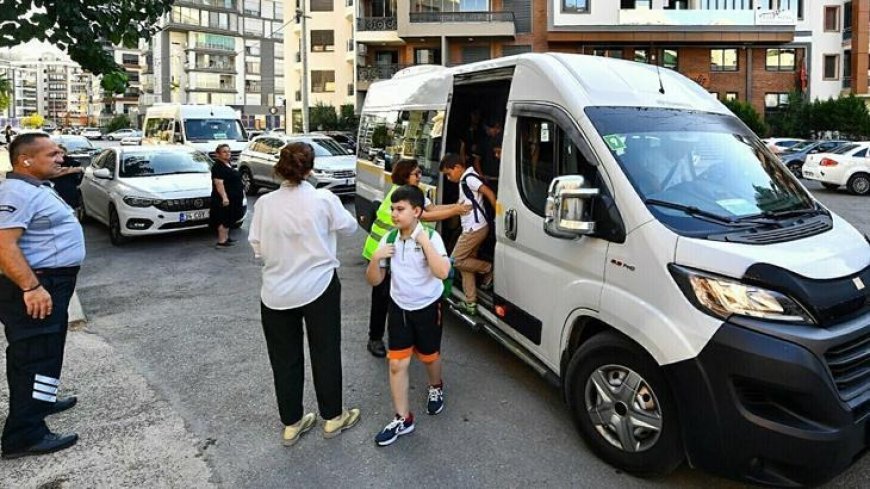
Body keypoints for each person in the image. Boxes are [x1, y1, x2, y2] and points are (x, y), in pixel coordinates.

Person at [248, 142, 360, 446]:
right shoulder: (323, 199)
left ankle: (291, 423)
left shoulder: (264, 204)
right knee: (325, 351)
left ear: (279, 167)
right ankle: (333, 417)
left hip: (275, 292)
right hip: (319, 286)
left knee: (284, 359)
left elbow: (257, 249)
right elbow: (349, 227)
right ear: (310, 168)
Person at [0, 133, 84, 459]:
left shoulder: (32, 187)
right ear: (26, 160)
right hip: (37, 286)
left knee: (47, 350)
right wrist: (31, 287)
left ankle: (43, 401)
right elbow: (4, 245)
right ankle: (25, 435)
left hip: (52, 283)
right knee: (34, 355)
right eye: (52, 154)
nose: (60, 157)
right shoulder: (17, 193)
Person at [366, 185, 451, 446]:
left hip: (427, 307)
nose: (394, 213)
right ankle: (403, 418)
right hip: (399, 308)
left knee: (429, 357)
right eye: (393, 208)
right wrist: (375, 259)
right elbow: (375, 280)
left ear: (416, 211)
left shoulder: (432, 237)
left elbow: (443, 273)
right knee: (396, 363)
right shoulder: (389, 239)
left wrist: (423, 241)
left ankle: (435, 386)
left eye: (400, 209)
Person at [361, 159, 471, 358]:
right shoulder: (400, 196)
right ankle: (375, 338)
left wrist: (455, 206)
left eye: (420, 173)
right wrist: (455, 211)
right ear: (405, 176)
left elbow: (431, 209)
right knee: (382, 299)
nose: (420, 177)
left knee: (398, 295)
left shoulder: (416, 194)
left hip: (403, 252)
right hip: (381, 250)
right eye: (416, 174)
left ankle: (403, 340)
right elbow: (425, 217)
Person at [439, 153, 497, 316]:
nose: (449, 179)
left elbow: (490, 194)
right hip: (473, 228)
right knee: (466, 265)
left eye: (449, 174)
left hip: (474, 229)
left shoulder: (469, 179)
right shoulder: (466, 179)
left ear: (457, 167)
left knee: (455, 261)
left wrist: (499, 215)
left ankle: (488, 268)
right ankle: (470, 303)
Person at [209, 144, 244, 248]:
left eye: (229, 151)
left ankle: (226, 237)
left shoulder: (227, 164)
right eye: (224, 152)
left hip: (234, 197)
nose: (228, 153)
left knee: (229, 217)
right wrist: (224, 197)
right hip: (225, 198)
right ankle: (222, 240)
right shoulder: (218, 167)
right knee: (223, 218)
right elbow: (218, 183)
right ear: (218, 154)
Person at [50, 145, 85, 210]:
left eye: (62, 153)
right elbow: (53, 172)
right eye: (57, 153)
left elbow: (78, 180)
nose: (60, 155)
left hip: (69, 192)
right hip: (55, 192)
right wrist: (72, 170)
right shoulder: (50, 163)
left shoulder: (73, 163)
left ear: (65, 153)